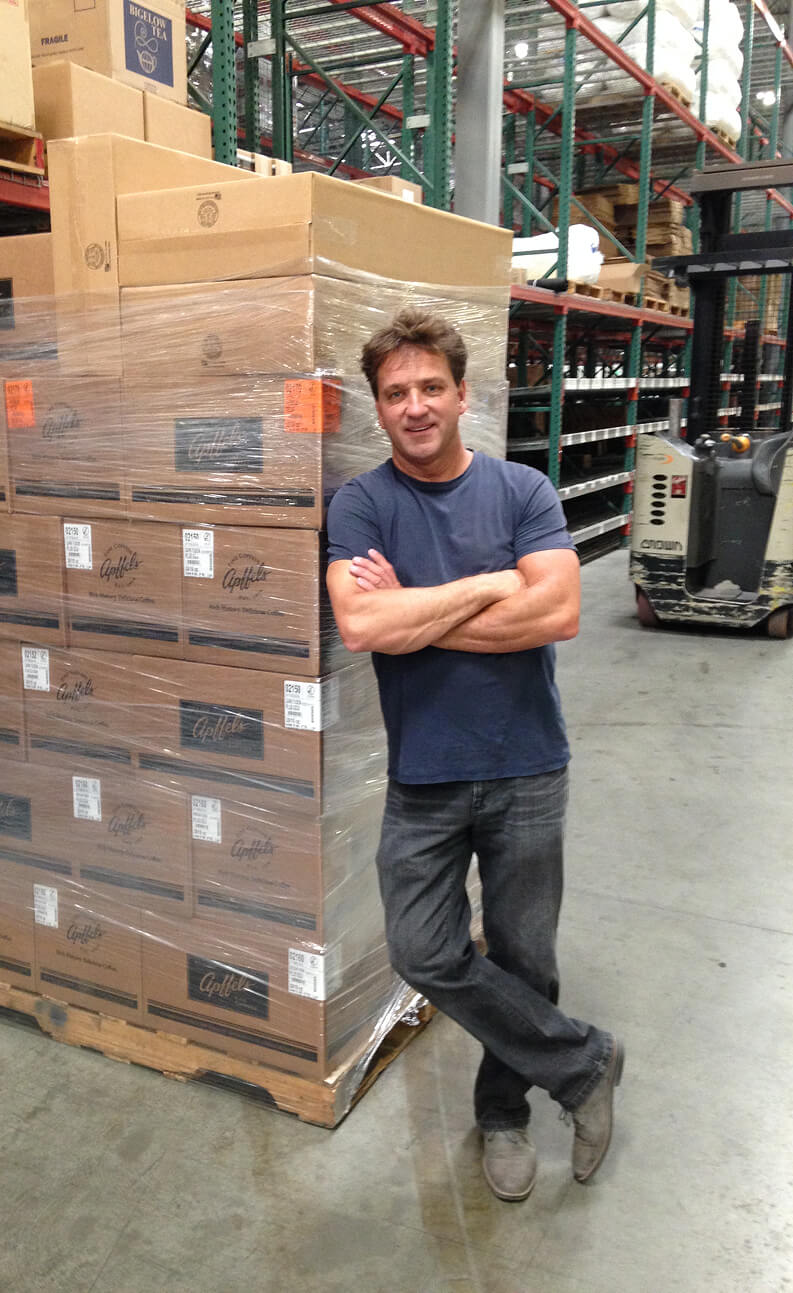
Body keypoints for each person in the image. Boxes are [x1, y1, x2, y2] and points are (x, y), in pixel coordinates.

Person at [325, 308, 623, 1202]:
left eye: (430, 387)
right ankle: (583, 1062)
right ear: (378, 407)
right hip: (423, 775)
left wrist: (417, 611)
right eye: (395, 393)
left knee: (525, 957)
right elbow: (361, 624)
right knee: (424, 951)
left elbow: (556, 612)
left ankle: (502, 1115)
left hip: (527, 766)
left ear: (462, 395)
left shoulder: (522, 491)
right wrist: (495, 583)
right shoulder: (362, 504)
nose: (414, 406)